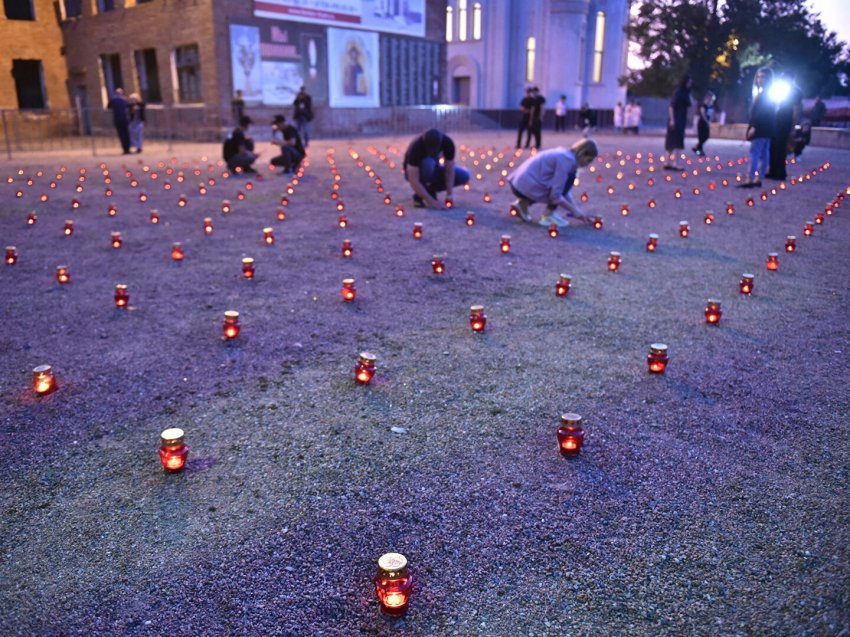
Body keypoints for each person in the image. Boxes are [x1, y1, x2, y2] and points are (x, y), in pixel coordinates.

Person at [506, 138, 598, 228]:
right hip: (527, 186)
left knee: (558, 184)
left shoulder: (565, 154)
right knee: (569, 179)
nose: (588, 164)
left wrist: (576, 210)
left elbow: (564, 190)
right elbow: (556, 195)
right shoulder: (567, 161)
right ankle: (548, 216)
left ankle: (522, 204)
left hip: (518, 184)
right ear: (582, 153)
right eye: (588, 160)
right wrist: (574, 211)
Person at [403, 128, 470, 209]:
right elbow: (413, 180)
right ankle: (422, 194)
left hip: (434, 170)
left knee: (464, 175)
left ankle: (429, 190)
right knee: (429, 163)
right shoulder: (415, 147)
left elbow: (449, 171)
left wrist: (449, 195)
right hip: (415, 174)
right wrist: (433, 202)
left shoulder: (447, 143)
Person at [740, 67, 774, 188]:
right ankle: (759, 178)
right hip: (767, 128)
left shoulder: (765, 95)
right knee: (764, 153)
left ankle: (751, 178)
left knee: (756, 153)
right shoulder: (766, 93)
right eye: (759, 77)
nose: (760, 79)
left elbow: (761, 113)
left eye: (763, 77)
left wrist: (754, 127)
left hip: (761, 128)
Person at [766, 75, 801, 181]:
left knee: (781, 148)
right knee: (773, 147)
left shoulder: (795, 92)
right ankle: (772, 170)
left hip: (786, 122)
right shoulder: (780, 90)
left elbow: (796, 110)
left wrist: (792, 127)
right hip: (777, 121)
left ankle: (780, 172)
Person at [664, 75, 693, 170]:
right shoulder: (678, 93)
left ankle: (671, 162)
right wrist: (672, 120)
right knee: (673, 141)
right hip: (676, 120)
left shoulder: (685, 93)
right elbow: (671, 107)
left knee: (676, 141)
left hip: (681, 120)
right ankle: (671, 163)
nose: (690, 84)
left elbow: (690, 104)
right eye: (689, 82)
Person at [107, 88, 131, 155]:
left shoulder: (113, 100)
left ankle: (125, 149)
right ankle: (128, 148)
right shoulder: (125, 99)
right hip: (125, 118)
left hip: (117, 119)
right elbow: (128, 107)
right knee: (127, 134)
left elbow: (108, 107)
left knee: (121, 134)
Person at [693, 91, 715, 156]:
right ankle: (700, 150)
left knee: (706, 136)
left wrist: (710, 121)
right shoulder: (703, 105)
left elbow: (711, 114)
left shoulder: (710, 106)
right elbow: (703, 114)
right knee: (702, 137)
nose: (712, 100)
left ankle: (697, 147)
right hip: (702, 123)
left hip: (707, 123)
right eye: (711, 99)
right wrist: (706, 121)